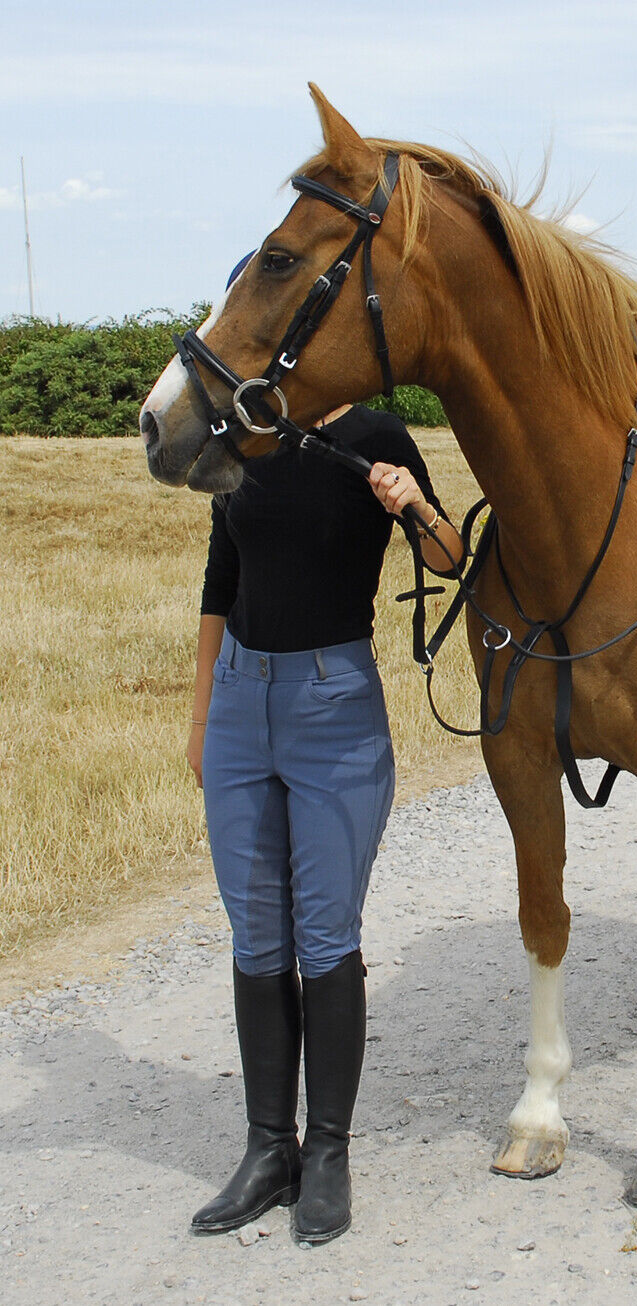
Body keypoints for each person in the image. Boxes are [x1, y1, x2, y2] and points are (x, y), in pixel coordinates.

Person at [185, 395, 463, 1245]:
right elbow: (219, 580)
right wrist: (200, 720)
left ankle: (330, 1154)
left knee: (326, 934)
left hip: (332, 707)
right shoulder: (243, 436)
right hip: (239, 703)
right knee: (256, 935)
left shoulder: (371, 434)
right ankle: (269, 1148)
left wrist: (408, 502)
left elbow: (452, 557)